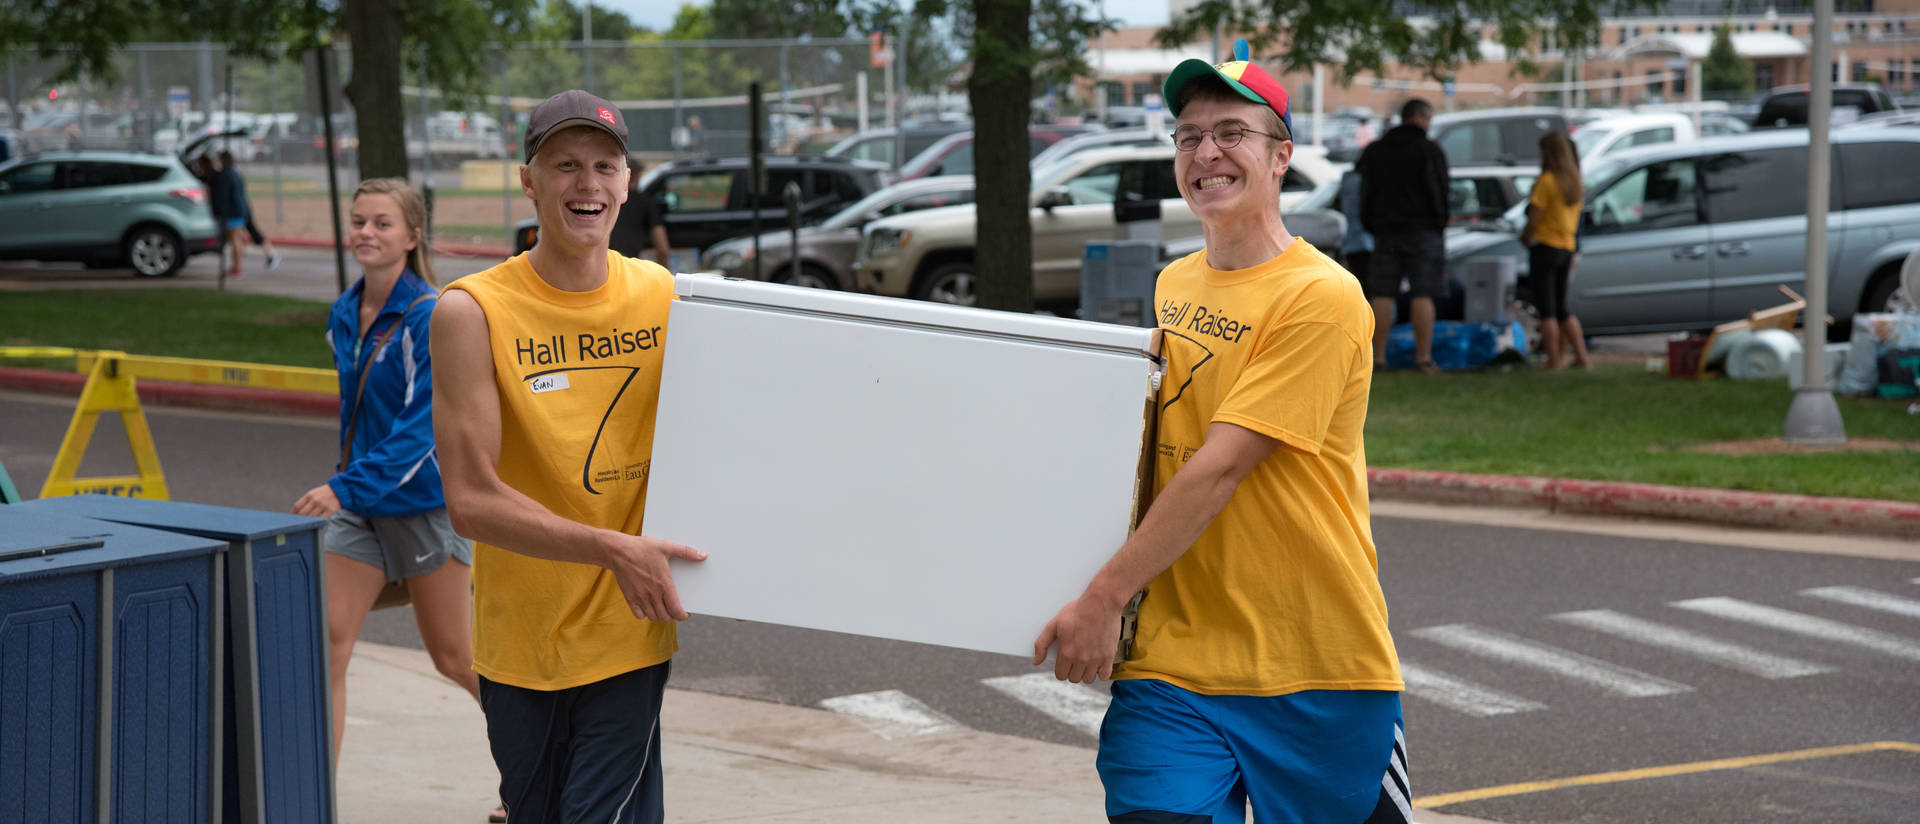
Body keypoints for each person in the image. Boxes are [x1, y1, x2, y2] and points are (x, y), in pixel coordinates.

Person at [1033, 40, 1407, 824]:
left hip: (1315, 667)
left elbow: (1218, 469)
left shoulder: (1322, 297)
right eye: (1189, 136)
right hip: (1173, 662)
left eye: (1232, 132)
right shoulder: (1176, 281)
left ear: (1281, 157)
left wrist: (1104, 595)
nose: (1207, 152)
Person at [431, 89, 707, 824]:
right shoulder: (471, 311)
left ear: (626, 184)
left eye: (605, 166)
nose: (588, 183)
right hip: (518, 640)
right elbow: (470, 500)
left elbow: (730, 441)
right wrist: (609, 547)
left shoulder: (669, 297)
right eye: (565, 166)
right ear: (529, 180)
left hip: (630, 631)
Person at [290, 176, 494, 817]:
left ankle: (537, 771)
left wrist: (341, 485)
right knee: (327, 642)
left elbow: (420, 431)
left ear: (412, 236)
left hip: (427, 506)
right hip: (361, 508)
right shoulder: (344, 312)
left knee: (457, 659)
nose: (366, 234)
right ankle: (315, 799)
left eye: (381, 223)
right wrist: (349, 486)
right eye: (358, 221)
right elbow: (359, 411)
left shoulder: (430, 314)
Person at [1356, 98, 1450, 374]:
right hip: (1423, 230)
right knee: (1424, 292)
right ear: (1421, 117)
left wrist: (1371, 223)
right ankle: (1423, 358)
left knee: (1383, 294)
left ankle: (1378, 358)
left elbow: (1364, 191)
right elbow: (1440, 190)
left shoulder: (1377, 150)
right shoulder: (1429, 150)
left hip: (1385, 230)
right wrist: (1439, 223)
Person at [1522, 131, 1591, 370]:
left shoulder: (1547, 181)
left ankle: (1554, 360)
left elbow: (1535, 217)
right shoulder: (1575, 182)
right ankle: (1581, 356)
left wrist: (1525, 237)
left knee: (1547, 308)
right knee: (1563, 307)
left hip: (1545, 246)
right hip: (1567, 248)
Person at [609, 155, 671, 265]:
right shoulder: (645, 202)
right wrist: (663, 273)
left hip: (602, 262)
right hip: (627, 264)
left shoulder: (605, 200)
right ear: (635, 176)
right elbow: (663, 248)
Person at [209, 151, 257, 277]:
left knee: (235, 239)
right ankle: (237, 266)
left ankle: (237, 267)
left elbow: (222, 196)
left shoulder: (225, 176)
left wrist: (219, 211)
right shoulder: (236, 174)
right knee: (238, 239)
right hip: (240, 209)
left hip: (232, 211)